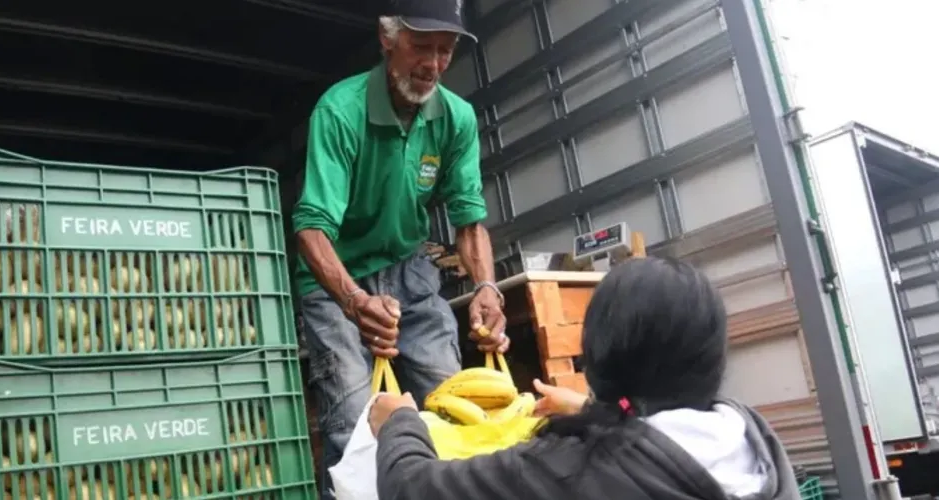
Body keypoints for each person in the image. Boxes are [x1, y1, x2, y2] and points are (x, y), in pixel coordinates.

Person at [291, 0, 508, 497]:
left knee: (452, 400)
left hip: (409, 270)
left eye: (445, 50)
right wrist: (353, 302)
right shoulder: (340, 110)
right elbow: (310, 229)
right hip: (336, 279)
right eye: (421, 46)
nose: (432, 64)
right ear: (388, 38)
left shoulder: (456, 118)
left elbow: (469, 220)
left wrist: (487, 288)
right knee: (353, 423)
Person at [369, 257, 803, 500]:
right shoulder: (755, 440)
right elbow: (663, 445)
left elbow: (411, 490)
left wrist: (399, 424)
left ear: (599, 358)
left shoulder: (568, 472)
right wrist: (589, 410)